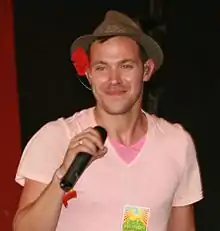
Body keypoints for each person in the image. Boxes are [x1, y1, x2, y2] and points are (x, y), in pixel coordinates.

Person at [13, 10, 203, 231]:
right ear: (90, 74)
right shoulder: (57, 137)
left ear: (147, 70)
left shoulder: (177, 143)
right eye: (102, 67)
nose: (114, 79)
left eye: (126, 65)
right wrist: (62, 176)